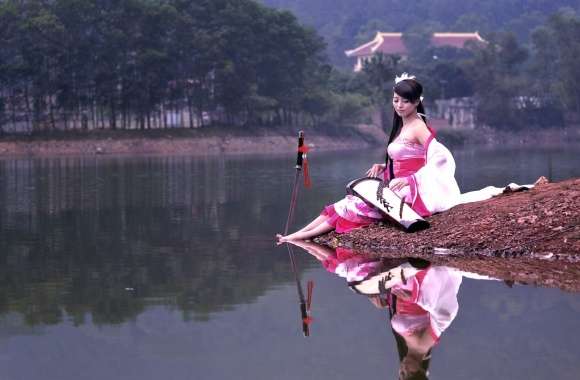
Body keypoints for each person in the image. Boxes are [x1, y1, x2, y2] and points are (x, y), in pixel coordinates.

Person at [277, 73, 460, 243]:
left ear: (415, 103)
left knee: (353, 206)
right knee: (342, 203)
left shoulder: (418, 126)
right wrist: (384, 166)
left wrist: (410, 180)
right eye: (396, 100)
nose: (399, 105)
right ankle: (297, 234)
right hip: (397, 183)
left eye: (405, 102)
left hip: (412, 189)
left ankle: (299, 238)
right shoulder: (404, 125)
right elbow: (409, 157)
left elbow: (440, 158)